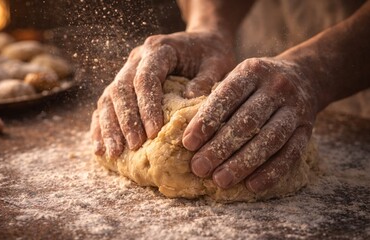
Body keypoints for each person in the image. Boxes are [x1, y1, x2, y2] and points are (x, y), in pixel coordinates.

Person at [91, 0, 370, 193]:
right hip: (258, 35)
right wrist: (208, 26)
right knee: (247, 103)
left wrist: (318, 71)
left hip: (356, 76)